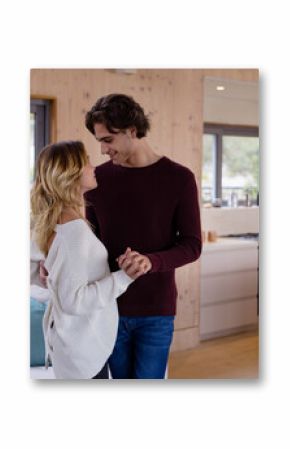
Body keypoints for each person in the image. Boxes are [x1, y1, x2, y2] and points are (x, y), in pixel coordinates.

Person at [84, 93, 202, 379]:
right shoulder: (96, 180)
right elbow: (90, 242)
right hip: (109, 307)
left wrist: (151, 261)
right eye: (99, 140)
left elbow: (192, 245)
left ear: (132, 131)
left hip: (156, 311)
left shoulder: (179, 178)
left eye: (108, 140)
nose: (101, 149)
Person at [30, 140, 147, 380]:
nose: (94, 167)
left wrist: (45, 278)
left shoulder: (56, 220)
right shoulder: (73, 230)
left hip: (72, 347)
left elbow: (34, 267)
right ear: (70, 172)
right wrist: (124, 277)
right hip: (80, 353)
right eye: (87, 162)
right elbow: (75, 302)